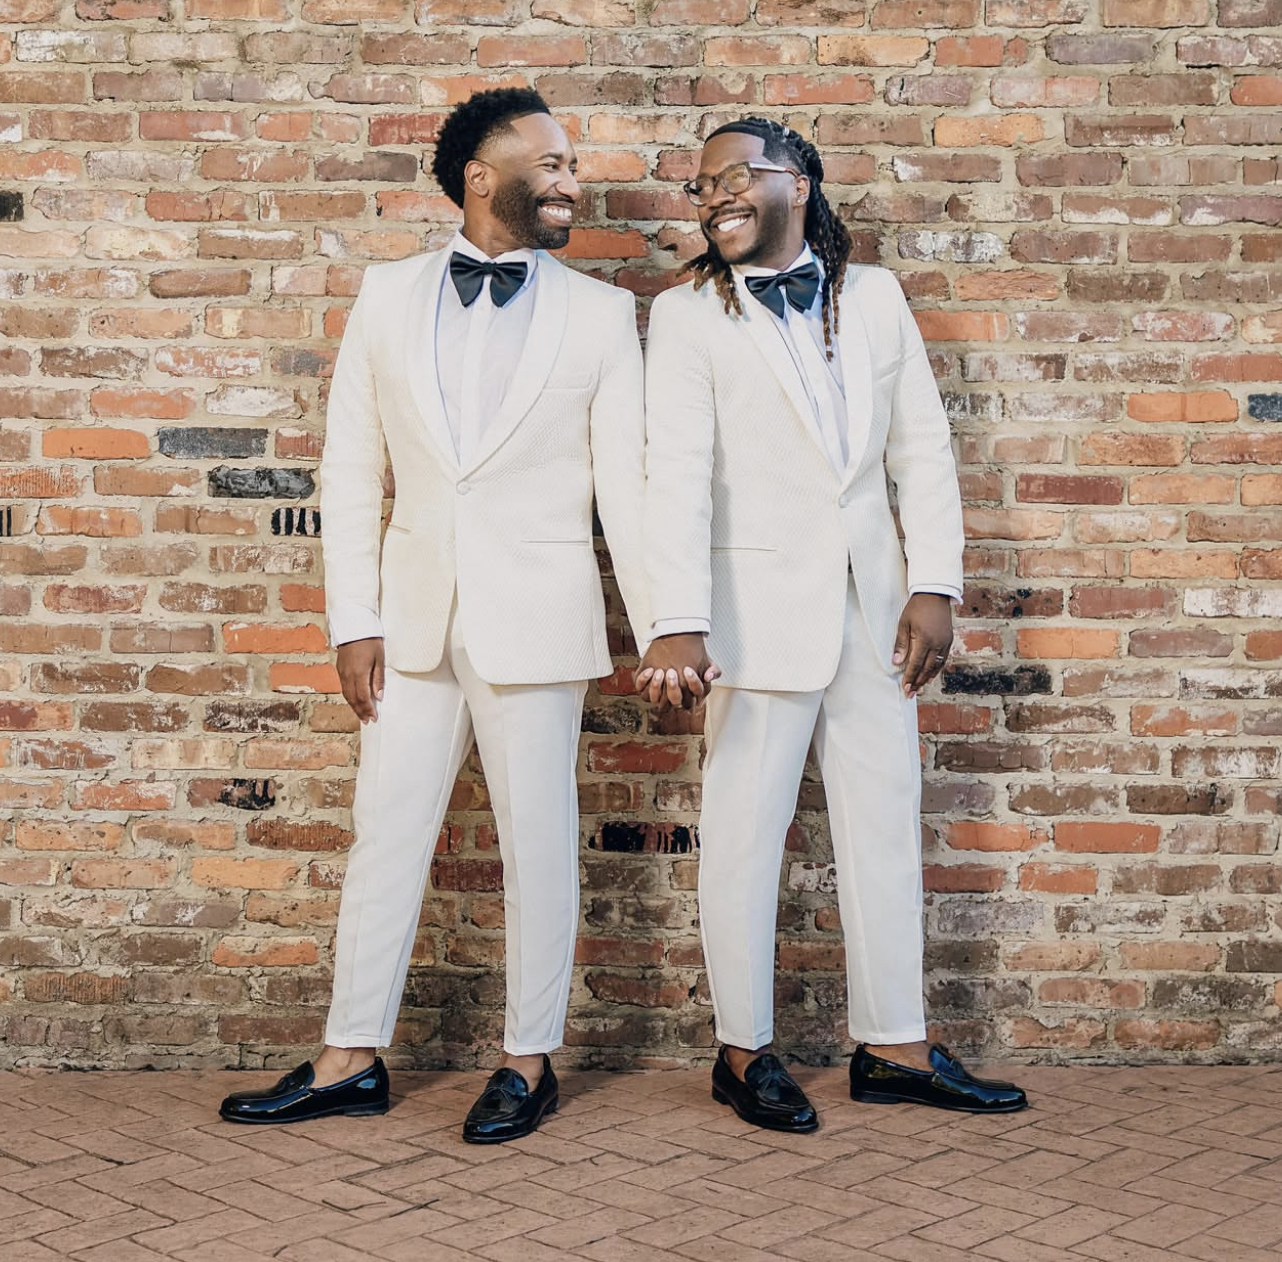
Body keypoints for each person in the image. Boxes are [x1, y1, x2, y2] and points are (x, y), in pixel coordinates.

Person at [219, 88, 649, 1141]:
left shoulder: (601, 314)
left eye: (571, 163)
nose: (569, 180)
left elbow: (630, 489)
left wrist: (668, 621)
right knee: (385, 835)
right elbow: (353, 470)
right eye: (549, 162)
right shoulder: (386, 293)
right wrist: (350, 620)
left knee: (539, 842)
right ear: (479, 175)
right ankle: (348, 1054)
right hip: (410, 622)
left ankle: (527, 1059)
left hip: (538, 617)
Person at [637, 117, 1027, 1129]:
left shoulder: (877, 296)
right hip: (752, 616)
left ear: (797, 183)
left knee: (885, 824)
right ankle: (741, 1050)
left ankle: (894, 1042)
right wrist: (677, 618)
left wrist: (933, 582)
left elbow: (923, 450)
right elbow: (670, 478)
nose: (713, 194)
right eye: (700, 184)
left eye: (733, 175)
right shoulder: (686, 317)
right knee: (742, 834)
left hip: (875, 607)